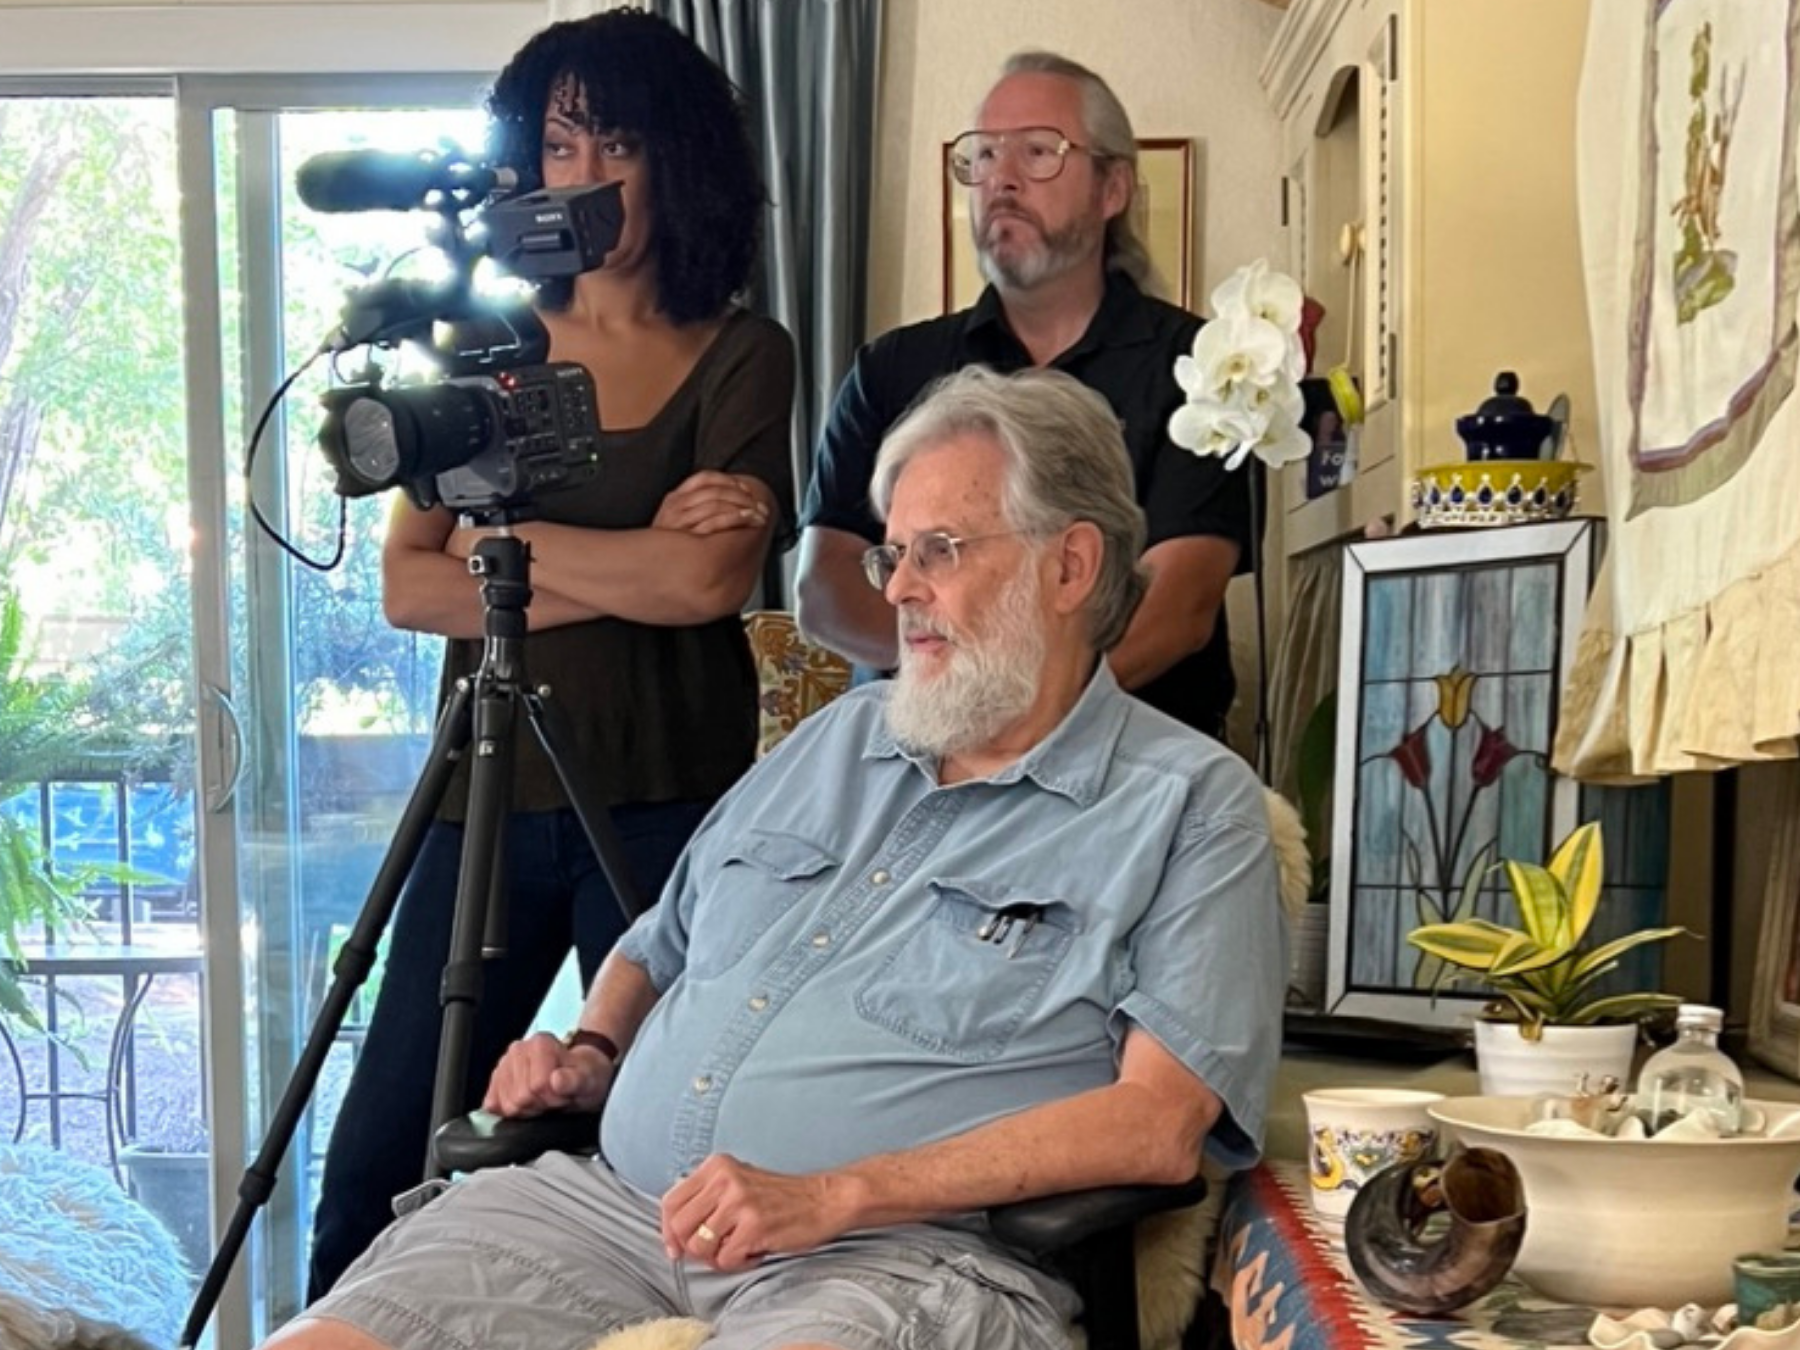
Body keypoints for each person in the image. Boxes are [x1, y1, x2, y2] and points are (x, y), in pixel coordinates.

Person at [270, 366, 1285, 1350]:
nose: (901, 591)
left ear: (1070, 567)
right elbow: (657, 942)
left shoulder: (1191, 807)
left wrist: (840, 1192)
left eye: (939, 550)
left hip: (896, 1260)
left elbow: (1157, 1126)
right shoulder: (835, 740)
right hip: (610, 1213)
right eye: (894, 555)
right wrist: (591, 1054)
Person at [306, 10, 795, 1298]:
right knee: (383, 1145)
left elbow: (705, 586)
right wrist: (633, 555)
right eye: (559, 145)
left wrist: (505, 552)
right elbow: (408, 588)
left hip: (670, 799)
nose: (583, 177)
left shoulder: (743, 353)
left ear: (677, 158)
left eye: (616, 144)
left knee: (643, 1142)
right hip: (484, 792)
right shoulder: (480, 349)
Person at [795, 51, 1253, 741]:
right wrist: (961, 692)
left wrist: (1025, 723)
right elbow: (824, 590)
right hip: (922, 760)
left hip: (1132, 766)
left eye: (1038, 151)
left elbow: (1179, 606)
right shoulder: (890, 369)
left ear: (1113, 188)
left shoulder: (1200, 364)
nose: (1001, 179)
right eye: (983, 155)